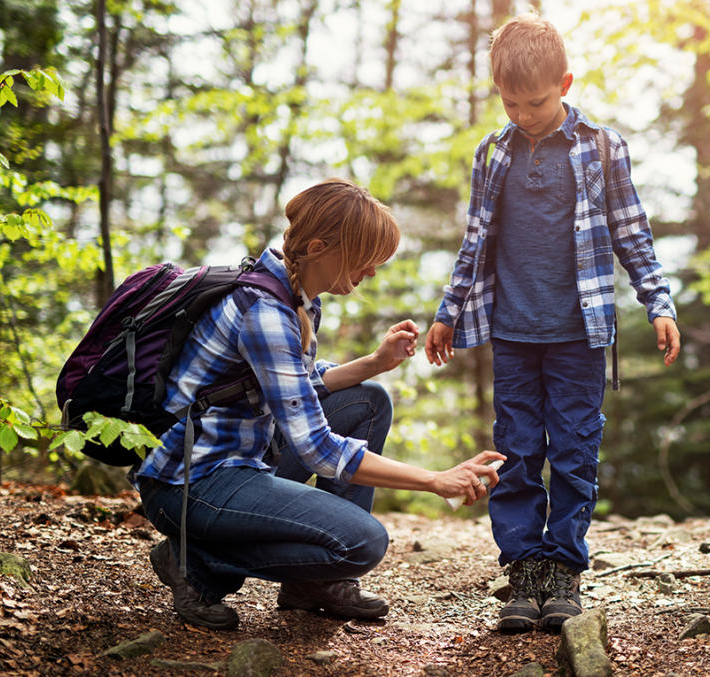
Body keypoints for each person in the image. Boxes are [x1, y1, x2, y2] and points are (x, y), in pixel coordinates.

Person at [136, 178, 504, 630]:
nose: (372, 271)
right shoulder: (265, 311)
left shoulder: (294, 296)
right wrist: (434, 480)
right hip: (191, 483)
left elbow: (300, 387)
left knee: (368, 402)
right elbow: (317, 448)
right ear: (319, 246)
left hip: (243, 458)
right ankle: (195, 563)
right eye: (366, 258)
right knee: (361, 543)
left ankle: (312, 585)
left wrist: (375, 362)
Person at [424, 14, 680, 634]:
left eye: (535, 101)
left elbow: (631, 232)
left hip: (580, 335)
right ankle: (523, 566)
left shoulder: (600, 147)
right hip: (511, 333)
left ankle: (563, 567)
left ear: (565, 83)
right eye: (510, 101)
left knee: (572, 450)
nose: (522, 113)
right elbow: (475, 242)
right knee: (515, 449)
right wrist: (448, 312)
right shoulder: (493, 153)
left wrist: (659, 302)